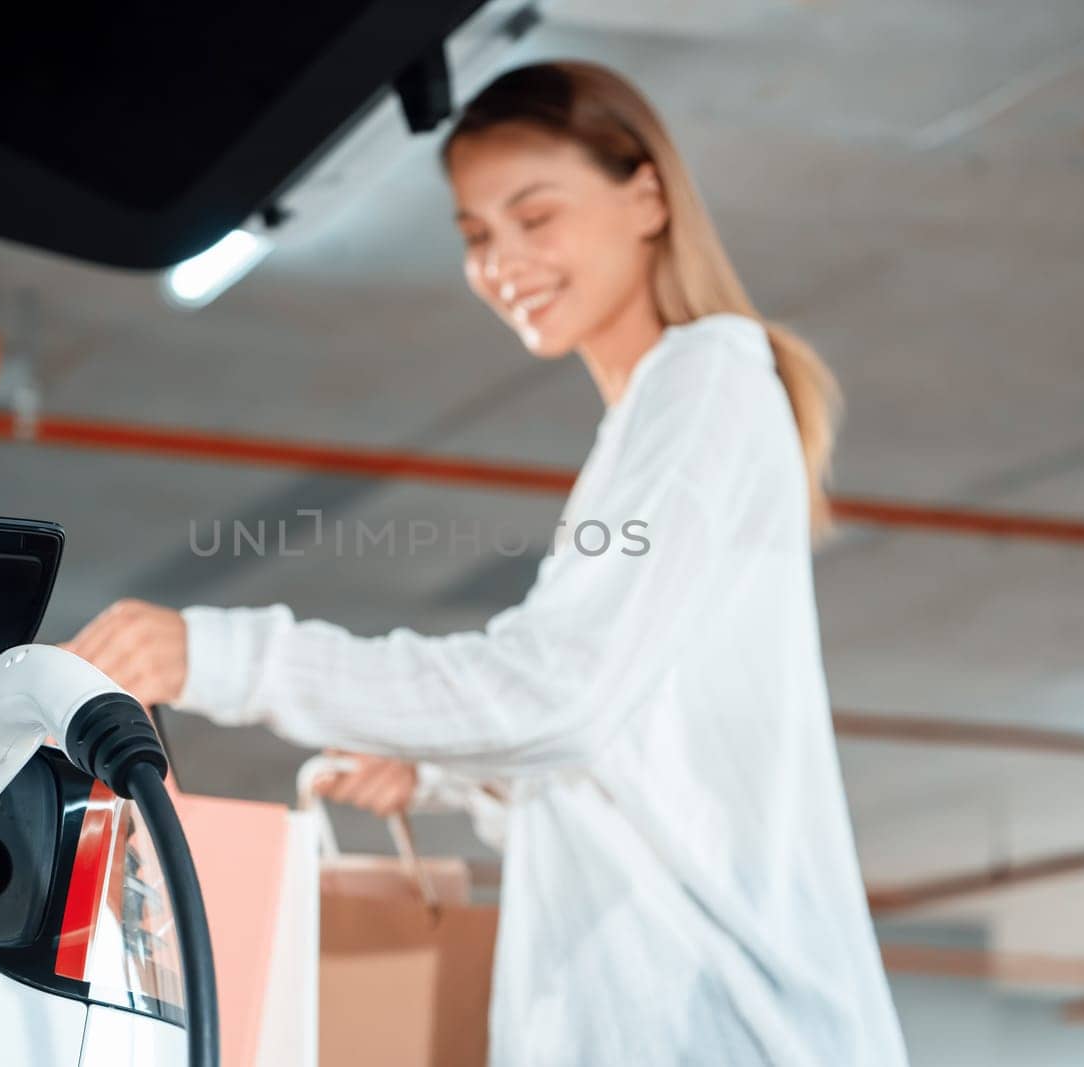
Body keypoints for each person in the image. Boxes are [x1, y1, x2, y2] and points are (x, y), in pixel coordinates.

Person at [65, 61, 907, 1067]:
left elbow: (553, 692)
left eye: (534, 215)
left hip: (720, 1024)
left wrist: (223, 655)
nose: (503, 260)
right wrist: (443, 767)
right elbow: (620, 736)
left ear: (645, 196)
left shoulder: (703, 391)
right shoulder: (653, 419)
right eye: (475, 236)